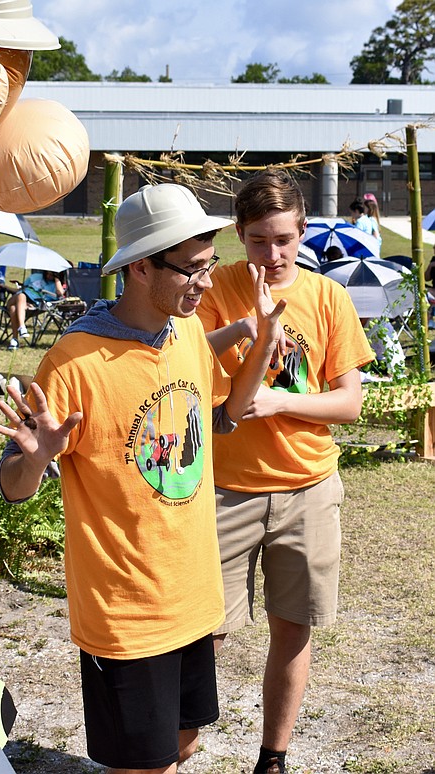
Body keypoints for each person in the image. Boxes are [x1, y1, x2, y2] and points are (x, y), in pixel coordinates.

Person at [0, 183, 287, 774]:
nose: (206, 284)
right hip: (126, 614)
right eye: (192, 271)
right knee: (143, 766)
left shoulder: (182, 335)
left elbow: (224, 415)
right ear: (141, 267)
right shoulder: (73, 364)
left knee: (182, 746)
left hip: (193, 596)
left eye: (209, 267)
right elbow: (12, 486)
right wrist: (37, 456)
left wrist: (258, 340)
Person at [197, 170, 374, 774]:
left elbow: (348, 404)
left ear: (302, 233)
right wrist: (251, 327)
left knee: (293, 627)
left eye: (283, 241)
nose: (271, 256)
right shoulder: (215, 290)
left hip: (308, 488)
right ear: (238, 238)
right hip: (225, 491)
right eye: (257, 242)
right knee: (203, 632)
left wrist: (278, 402)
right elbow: (200, 375)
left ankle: (273, 757)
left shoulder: (328, 298)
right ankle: (174, 749)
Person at [5, 269, 66, 349]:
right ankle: (22, 327)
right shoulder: (35, 277)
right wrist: (6, 287)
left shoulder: (54, 285)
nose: (49, 276)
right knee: (21, 295)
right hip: (17, 298)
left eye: (52, 275)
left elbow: (60, 294)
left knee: (13, 309)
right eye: (47, 273)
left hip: (32, 303)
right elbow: (21, 290)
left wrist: (57, 279)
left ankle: (14, 340)